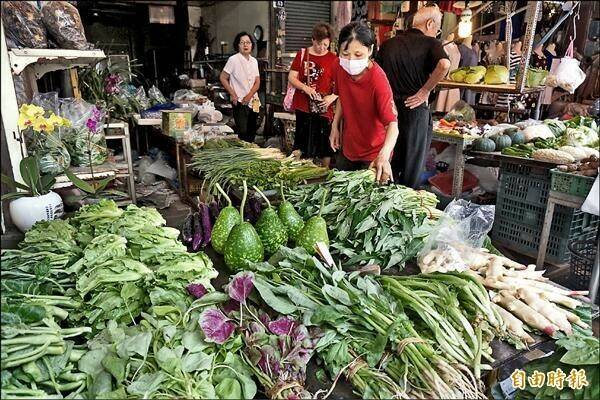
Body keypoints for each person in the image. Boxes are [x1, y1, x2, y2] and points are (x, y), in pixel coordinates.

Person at [377, 4, 450, 188]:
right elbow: (444, 65)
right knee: (412, 166)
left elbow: (376, 73)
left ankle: (385, 200)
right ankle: (404, 204)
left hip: (390, 112)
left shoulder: (388, 44)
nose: (437, 33)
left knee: (390, 159)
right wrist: (424, 91)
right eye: (437, 28)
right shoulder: (432, 43)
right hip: (415, 110)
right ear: (430, 24)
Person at [329, 22, 399, 183]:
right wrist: (335, 126)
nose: (351, 60)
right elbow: (341, 96)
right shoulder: (339, 67)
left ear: (370, 50)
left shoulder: (378, 80)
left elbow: (393, 125)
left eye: (358, 54)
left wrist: (384, 155)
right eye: (345, 53)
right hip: (349, 147)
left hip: (374, 154)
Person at [288, 22, 338, 168]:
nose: (322, 48)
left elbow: (342, 84)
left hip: (324, 106)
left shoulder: (333, 58)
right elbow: (292, 77)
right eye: (319, 44)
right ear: (313, 40)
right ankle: (302, 170)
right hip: (303, 105)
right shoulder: (303, 54)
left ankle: (324, 171)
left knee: (324, 141)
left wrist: (331, 97)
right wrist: (305, 88)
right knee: (303, 139)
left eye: (326, 45)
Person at [220, 32, 260, 143]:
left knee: (253, 130)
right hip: (240, 101)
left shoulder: (254, 61)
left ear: (252, 45)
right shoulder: (233, 60)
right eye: (242, 43)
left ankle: (251, 152)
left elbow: (257, 82)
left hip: (254, 100)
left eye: (248, 42)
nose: (245, 45)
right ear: (238, 45)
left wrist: (249, 96)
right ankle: (245, 152)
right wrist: (233, 94)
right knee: (243, 132)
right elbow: (223, 77)